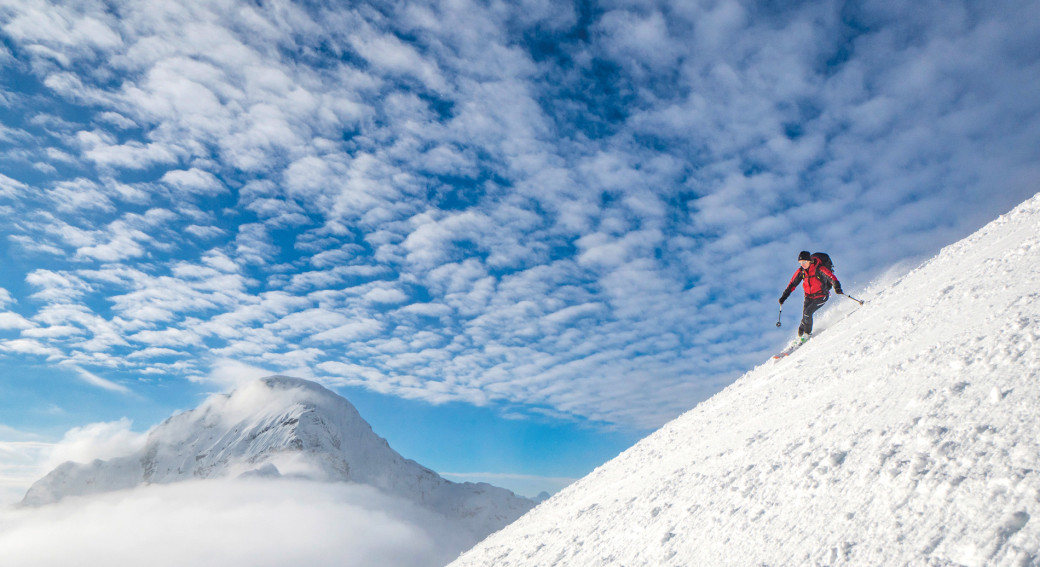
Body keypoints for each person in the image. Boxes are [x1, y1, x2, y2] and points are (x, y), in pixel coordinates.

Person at [779, 251, 843, 343]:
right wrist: (783, 297)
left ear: (809, 260)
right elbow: (792, 284)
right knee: (803, 322)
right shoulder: (801, 271)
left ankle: (807, 334)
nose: (802, 264)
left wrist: (837, 287)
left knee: (807, 314)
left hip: (821, 296)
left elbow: (831, 277)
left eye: (804, 262)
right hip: (808, 298)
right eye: (800, 263)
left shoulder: (819, 268)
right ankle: (800, 338)